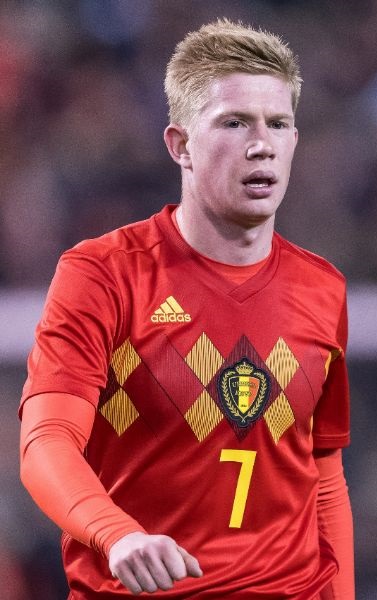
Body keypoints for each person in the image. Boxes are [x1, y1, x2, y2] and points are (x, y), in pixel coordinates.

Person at [19, 18, 354, 599]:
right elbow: (46, 441)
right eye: (234, 122)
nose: (262, 143)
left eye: (278, 123)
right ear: (180, 145)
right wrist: (116, 534)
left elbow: (323, 478)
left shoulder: (322, 288)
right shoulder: (104, 274)